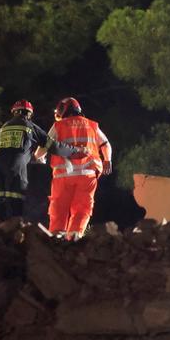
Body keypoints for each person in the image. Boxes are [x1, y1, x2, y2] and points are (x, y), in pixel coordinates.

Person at [0, 100, 78, 221]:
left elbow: (6, 150)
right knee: (15, 203)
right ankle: (12, 231)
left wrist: (32, 159)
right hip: (16, 167)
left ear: (14, 112)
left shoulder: (4, 127)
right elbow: (52, 145)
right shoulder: (28, 126)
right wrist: (74, 151)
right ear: (29, 114)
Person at [44, 97, 112, 240]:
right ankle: (74, 240)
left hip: (63, 175)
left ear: (64, 110)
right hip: (87, 175)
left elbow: (46, 144)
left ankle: (56, 240)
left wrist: (38, 157)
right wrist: (107, 160)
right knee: (82, 211)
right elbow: (105, 144)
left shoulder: (59, 126)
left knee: (59, 210)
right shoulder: (92, 125)